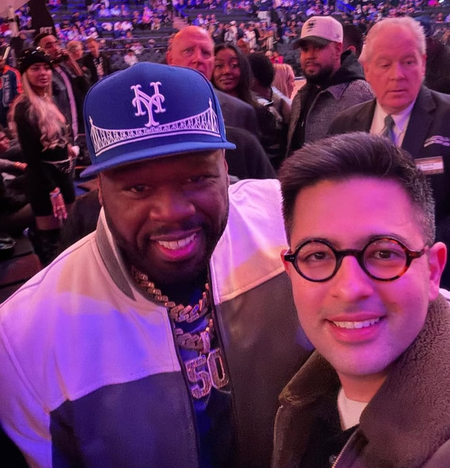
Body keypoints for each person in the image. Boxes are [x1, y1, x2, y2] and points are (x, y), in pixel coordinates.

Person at [0, 62, 309, 468]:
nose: (171, 211)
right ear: (100, 191)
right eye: (138, 187)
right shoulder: (26, 335)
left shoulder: (290, 226)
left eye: (196, 179)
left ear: (225, 169)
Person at [273, 132, 449, 468]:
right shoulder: (302, 404)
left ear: (432, 271)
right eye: (318, 255)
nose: (350, 289)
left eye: (384, 253)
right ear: (291, 271)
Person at [328, 16, 450, 289]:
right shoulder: (343, 127)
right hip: (362, 276)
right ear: (367, 70)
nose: (397, 75)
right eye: (384, 64)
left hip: (436, 276)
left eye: (408, 62)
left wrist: (413, 251)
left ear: (423, 64)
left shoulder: (447, 118)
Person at [9, 48, 76, 265]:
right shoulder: (24, 107)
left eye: (46, 68)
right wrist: (52, 190)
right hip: (44, 182)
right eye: (35, 68)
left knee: (69, 231)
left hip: (63, 176)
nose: (43, 73)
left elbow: (53, 138)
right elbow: (32, 158)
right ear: (25, 73)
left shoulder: (46, 100)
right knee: (51, 243)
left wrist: (65, 147)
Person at [286, 16, 373, 155]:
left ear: (338, 49)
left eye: (318, 47)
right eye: (305, 49)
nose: (310, 56)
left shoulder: (361, 95)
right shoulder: (300, 96)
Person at [166, 26, 259, 137]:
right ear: (170, 59)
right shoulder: (151, 109)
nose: (198, 59)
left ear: (213, 61)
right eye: (188, 51)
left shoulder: (241, 113)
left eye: (205, 53)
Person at [34, 32, 90, 142]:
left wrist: (72, 62)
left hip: (78, 130)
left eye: (56, 44)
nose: (55, 48)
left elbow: (85, 88)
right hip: (61, 134)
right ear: (40, 51)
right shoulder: (44, 76)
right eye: (49, 46)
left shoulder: (65, 68)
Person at [0, 55, 22, 127]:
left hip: (11, 108)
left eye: (0, 61)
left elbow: (19, 90)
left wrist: (14, 105)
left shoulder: (13, 72)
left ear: (3, 60)